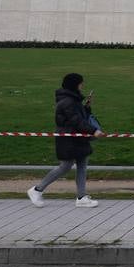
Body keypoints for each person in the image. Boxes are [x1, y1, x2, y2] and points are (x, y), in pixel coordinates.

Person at [28, 73, 105, 207]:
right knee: (65, 166)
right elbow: (76, 121)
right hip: (69, 139)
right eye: (81, 83)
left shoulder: (72, 100)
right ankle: (37, 190)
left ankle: (81, 197)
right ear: (74, 84)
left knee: (82, 165)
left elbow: (79, 117)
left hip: (77, 138)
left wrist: (86, 107)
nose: (82, 85)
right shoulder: (68, 102)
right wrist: (94, 130)